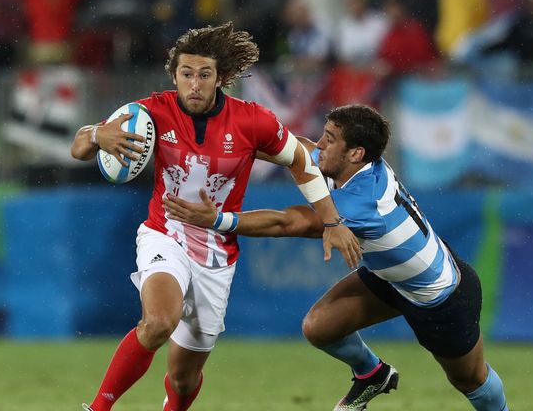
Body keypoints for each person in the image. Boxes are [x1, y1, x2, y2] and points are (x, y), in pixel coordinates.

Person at [70, 22, 360, 411]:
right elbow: (79, 148)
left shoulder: (252, 121)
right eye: (186, 74)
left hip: (215, 254)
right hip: (165, 233)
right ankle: (97, 408)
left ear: (220, 78)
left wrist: (331, 220)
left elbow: (300, 161)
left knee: (183, 377)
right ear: (173, 76)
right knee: (158, 322)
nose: (194, 84)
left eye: (204, 75)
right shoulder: (151, 111)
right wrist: (95, 135)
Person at [163, 104, 509, 411]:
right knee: (319, 328)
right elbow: (298, 151)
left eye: (329, 138)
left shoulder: (360, 204)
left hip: (440, 297)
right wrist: (236, 138)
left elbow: (289, 222)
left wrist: (219, 220)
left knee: (471, 381)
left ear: (355, 153)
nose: (320, 144)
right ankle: (373, 374)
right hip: (391, 278)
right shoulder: (356, 165)